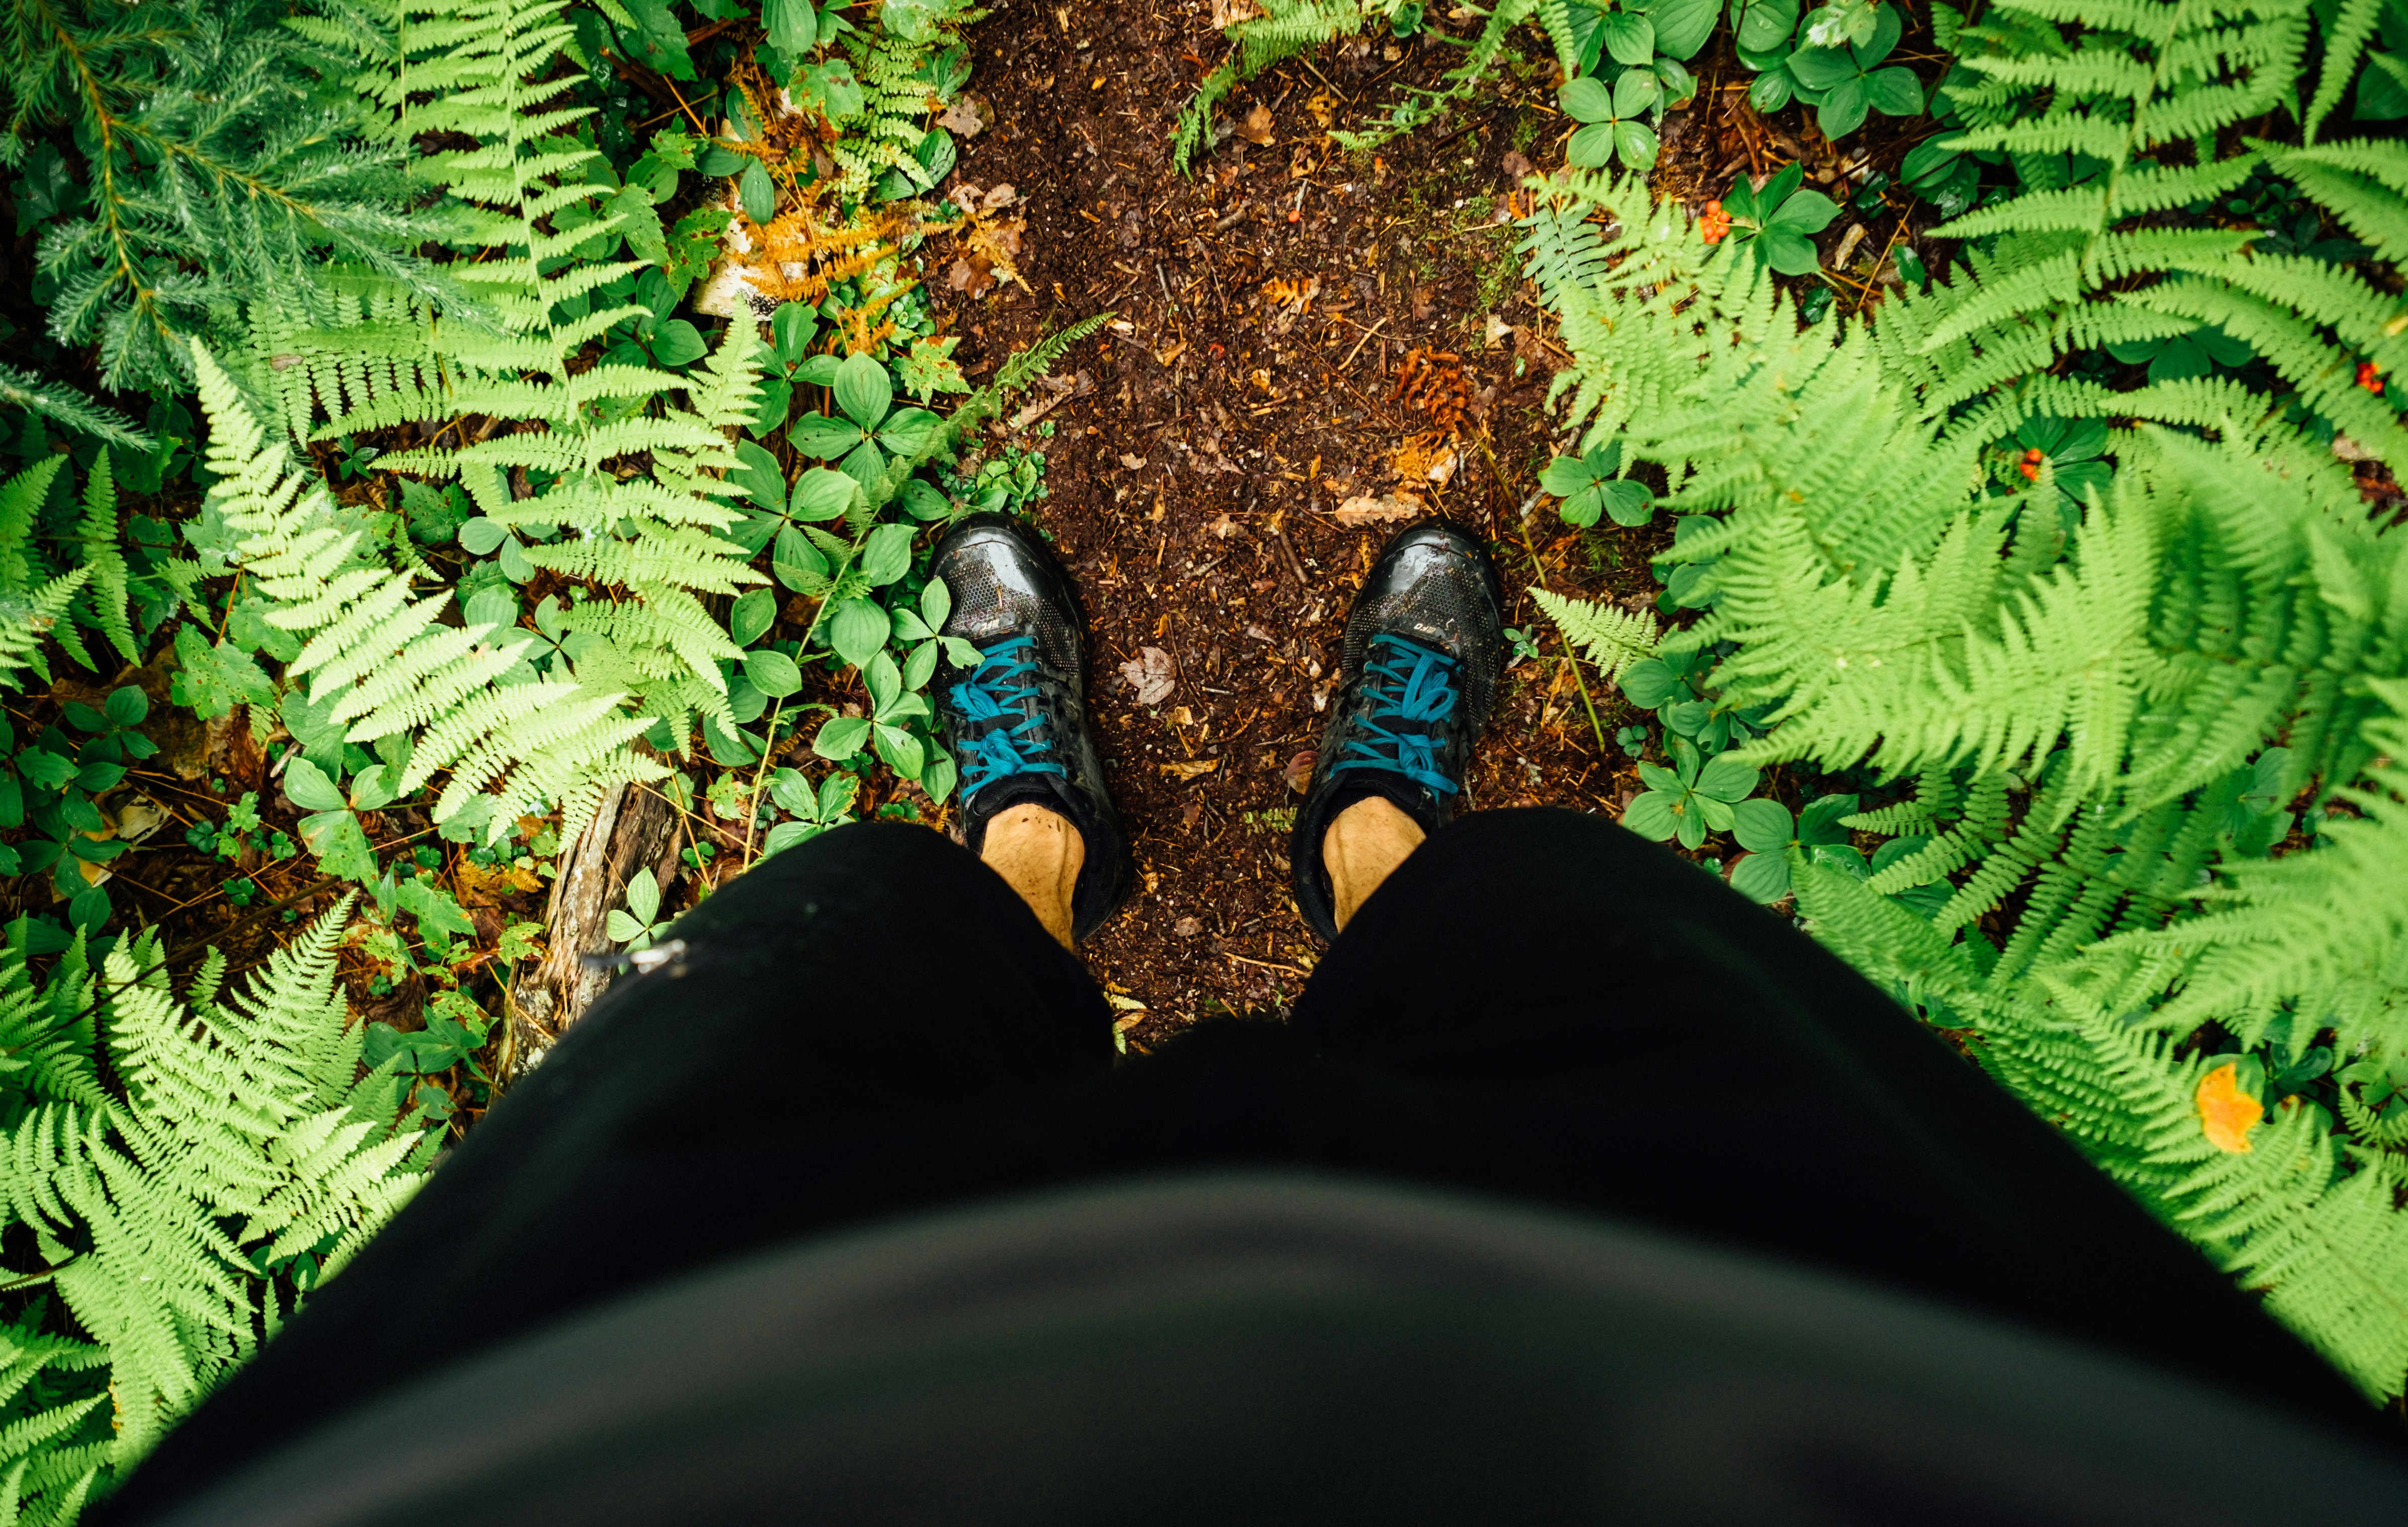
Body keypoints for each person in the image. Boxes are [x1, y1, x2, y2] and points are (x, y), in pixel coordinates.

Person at [103, 518, 2407, 1525]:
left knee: (820, 967)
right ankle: (1378, 846)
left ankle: (1029, 848)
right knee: (1599, 955)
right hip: (1859, 1397)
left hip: (610, 1423)